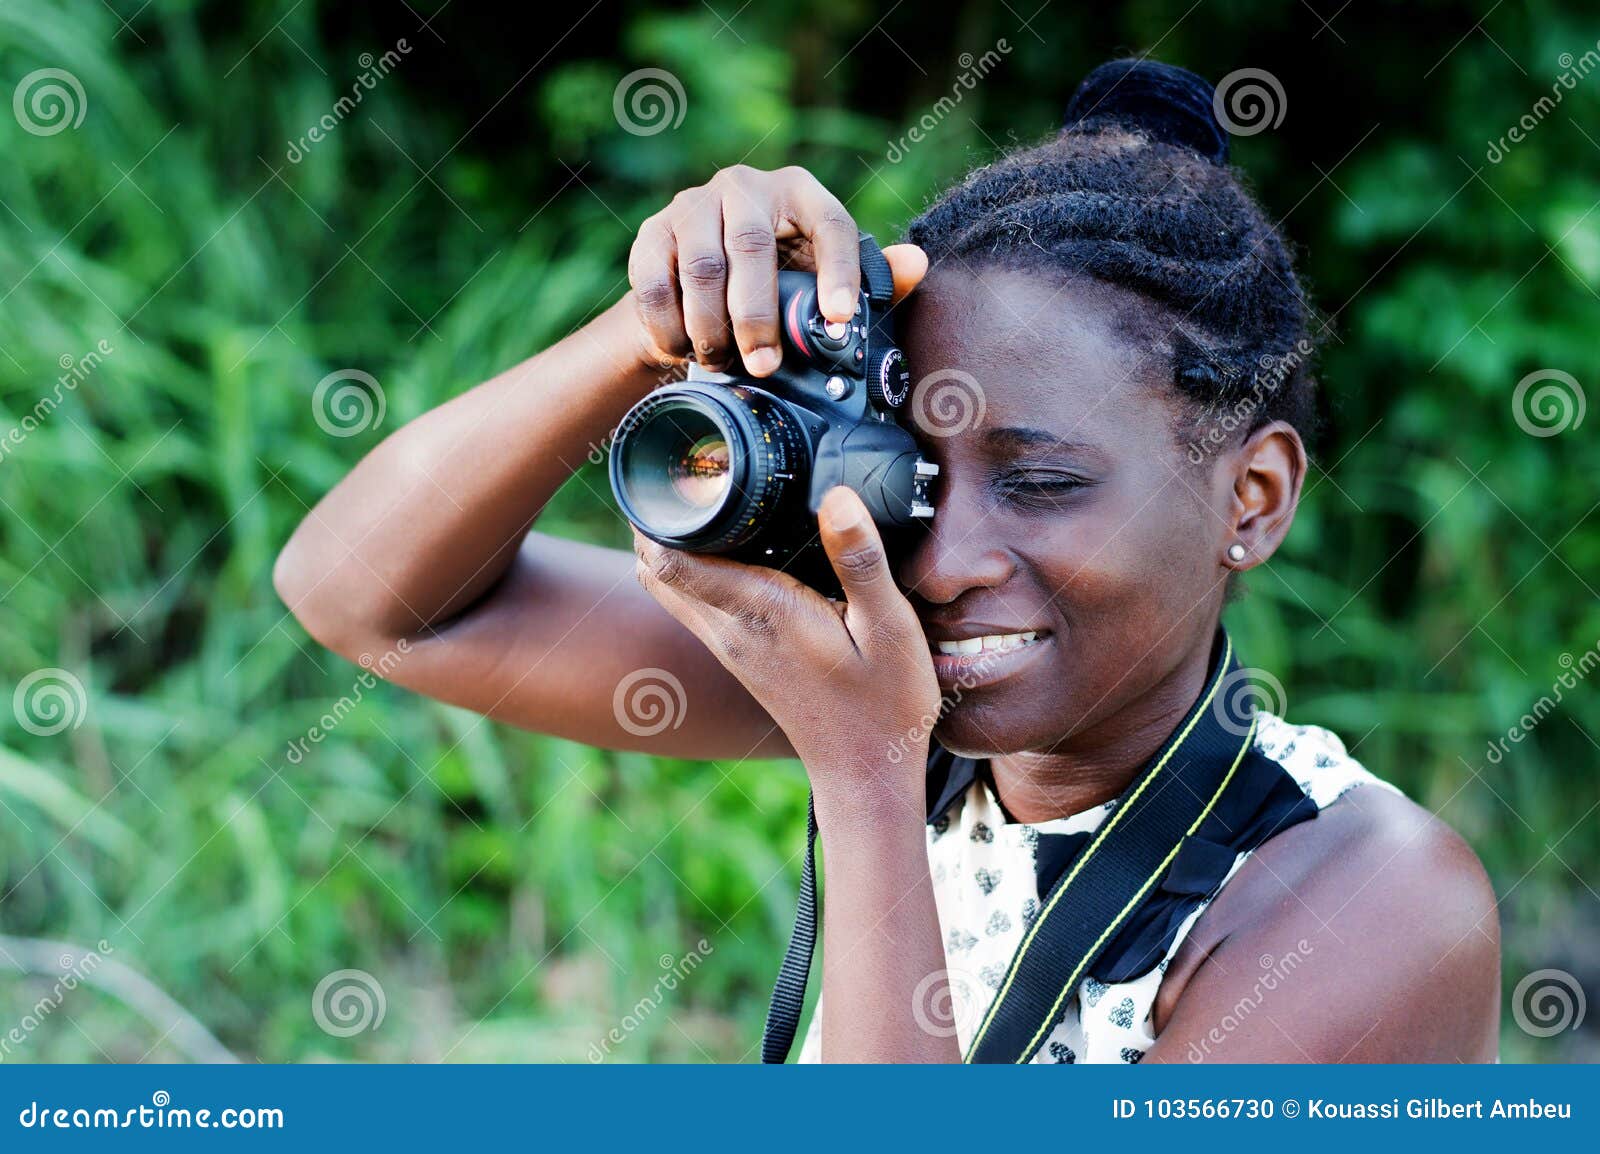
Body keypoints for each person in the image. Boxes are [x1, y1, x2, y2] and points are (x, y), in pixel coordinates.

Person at [274, 59, 1499, 1063]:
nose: (941, 557)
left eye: (1041, 480)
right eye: (906, 472)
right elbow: (369, 600)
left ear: (1254, 493)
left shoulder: (1368, 903)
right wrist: (654, 332)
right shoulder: (911, 690)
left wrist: (862, 766)